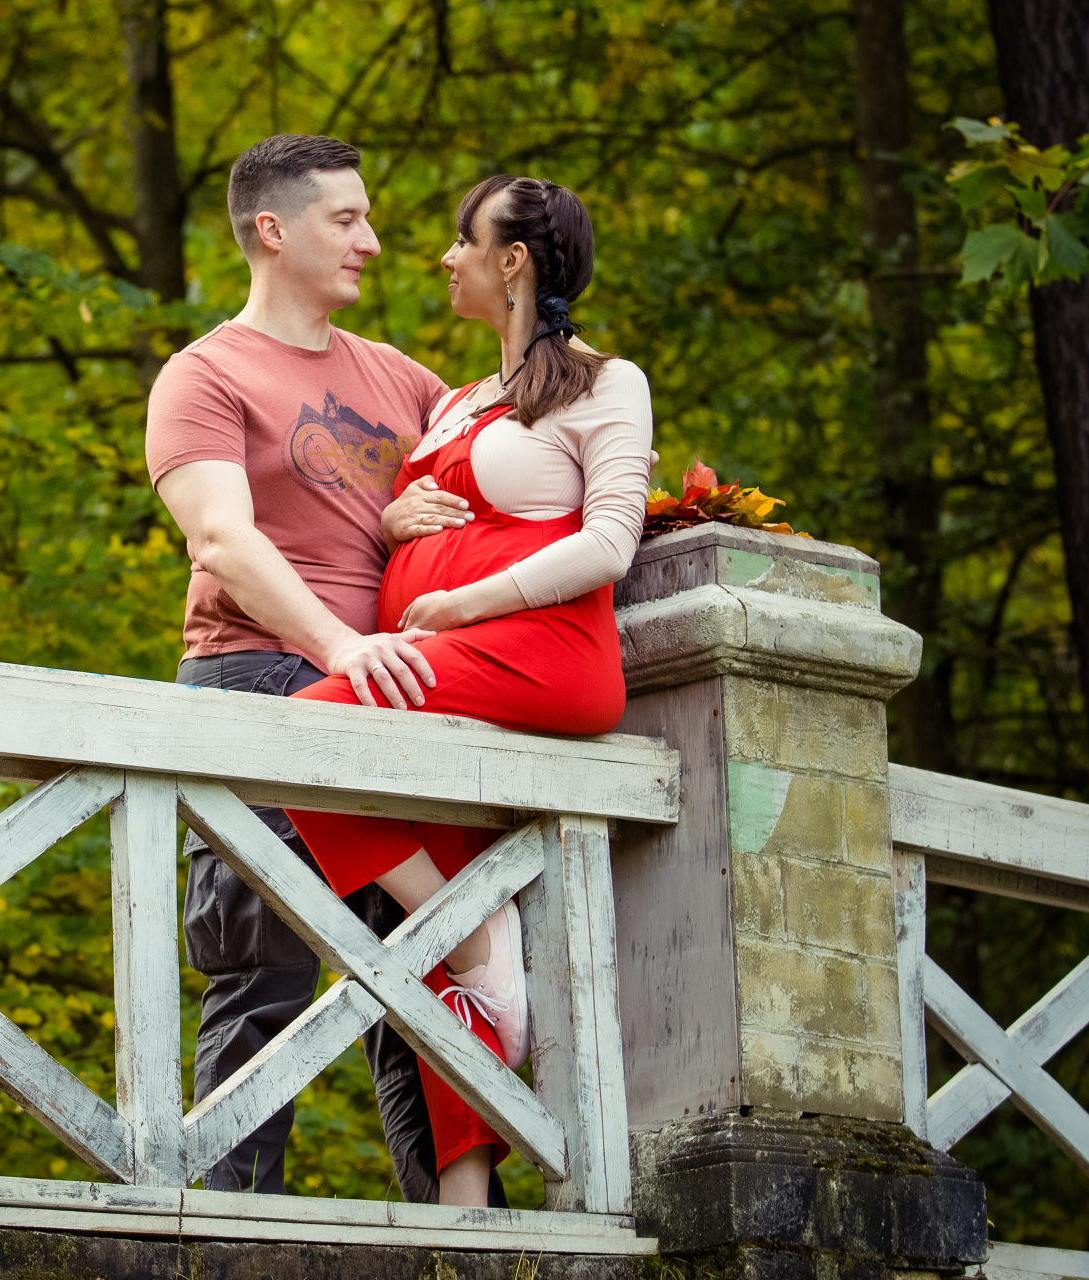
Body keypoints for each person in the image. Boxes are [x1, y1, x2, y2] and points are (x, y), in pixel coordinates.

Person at [144, 134, 502, 1203]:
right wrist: (338, 646)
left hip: (398, 698)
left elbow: (514, 466)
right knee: (263, 972)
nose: (372, 240)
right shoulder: (205, 374)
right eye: (346, 219)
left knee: (422, 971)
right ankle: (227, 1233)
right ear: (273, 229)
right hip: (258, 682)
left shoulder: (403, 378)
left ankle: (460, 1240)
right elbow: (223, 541)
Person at [285, 174, 655, 1206]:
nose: (445, 258)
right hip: (451, 676)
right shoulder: (455, 400)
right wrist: (394, 524)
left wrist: (463, 603)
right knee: (441, 955)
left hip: (541, 655)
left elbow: (610, 542)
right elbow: (421, 515)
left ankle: (472, 925)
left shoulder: (605, 383)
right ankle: (467, 1207)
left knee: (308, 733)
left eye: (464, 240)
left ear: (514, 261)